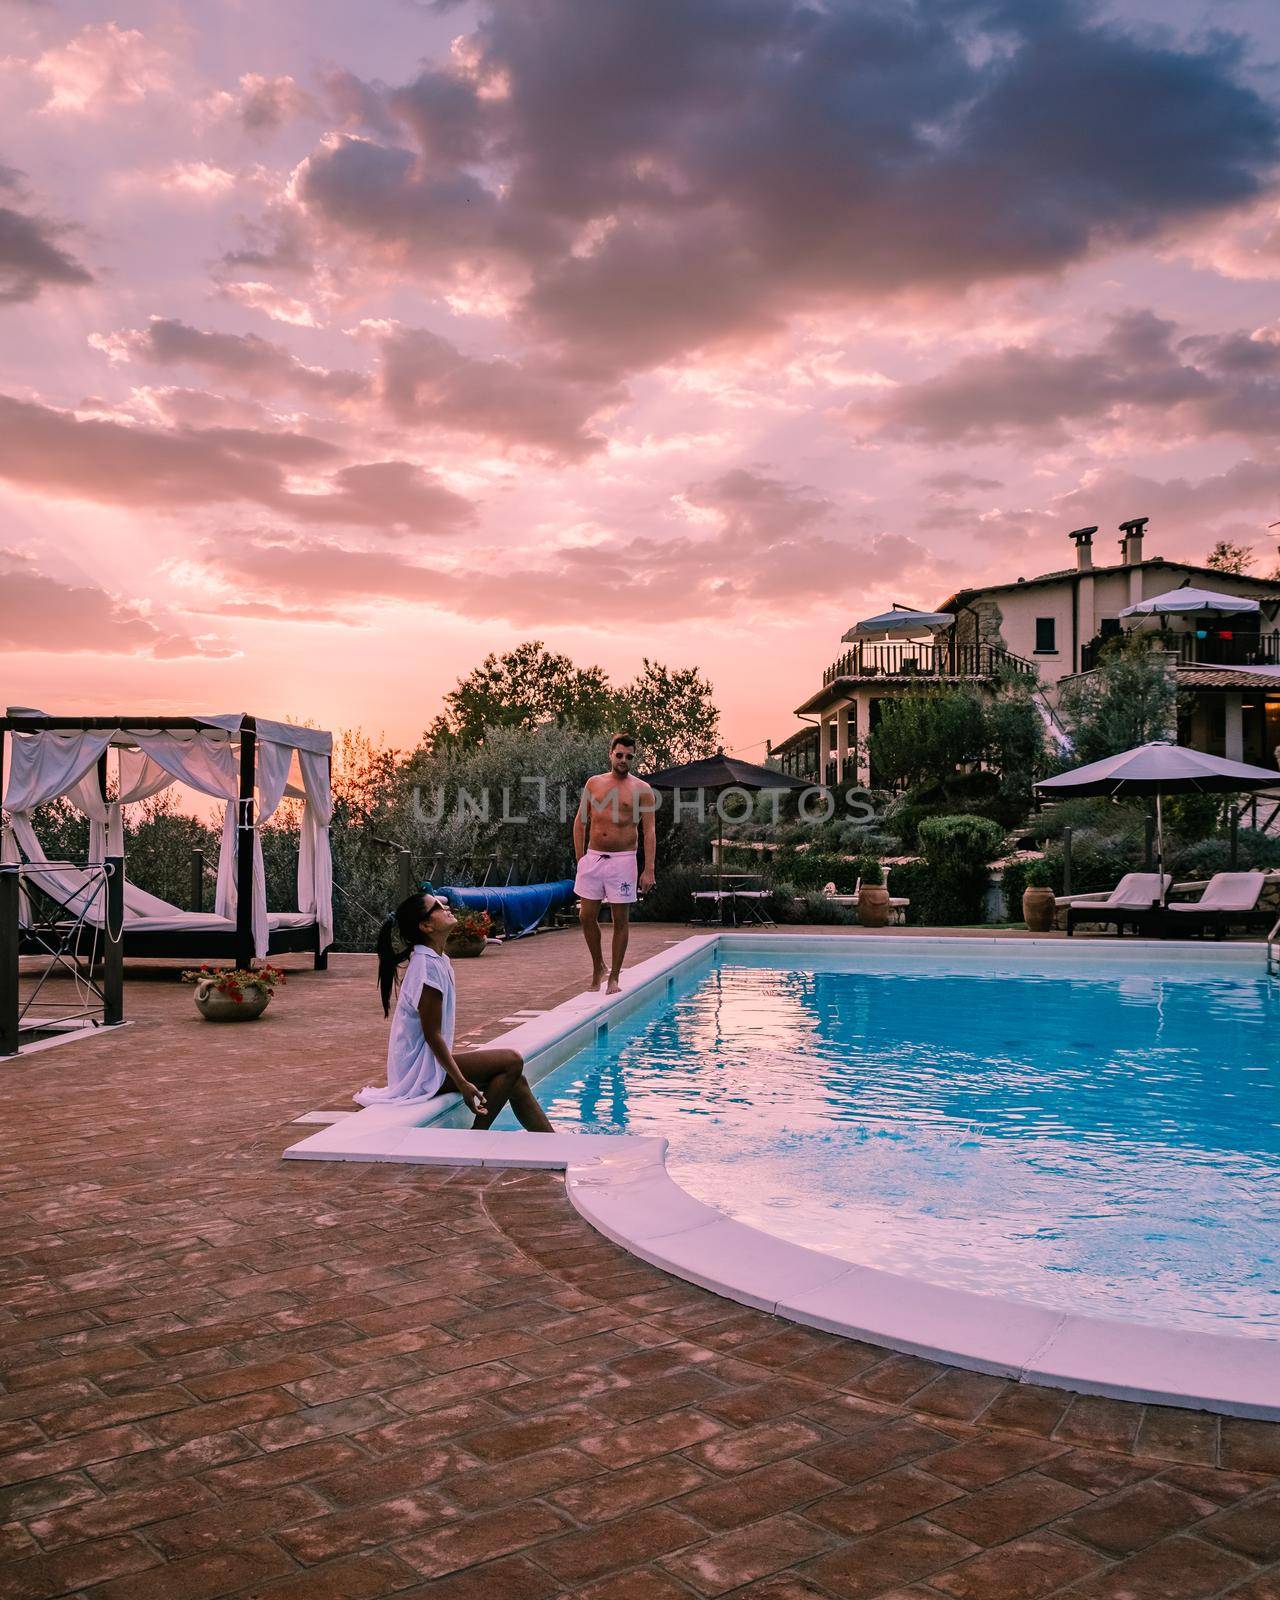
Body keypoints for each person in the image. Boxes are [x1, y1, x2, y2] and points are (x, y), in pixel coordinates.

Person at [357, 891, 553, 1131]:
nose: (446, 908)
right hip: (420, 1073)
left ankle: (551, 1143)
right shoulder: (426, 966)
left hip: (425, 1065)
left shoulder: (436, 959)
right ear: (426, 926)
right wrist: (462, 1082)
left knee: (516, 1082)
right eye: (437, 907)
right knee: (512, 1061)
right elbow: (432, 1035)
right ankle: (476, 1136)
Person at [573, 732, 657, 993]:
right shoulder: (594, 783)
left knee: (620, 918)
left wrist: (649, 869)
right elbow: (580, 822)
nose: (623, 760)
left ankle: (615, 977)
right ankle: (599, 966)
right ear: (611, 754)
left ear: (633, 758)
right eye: (619, 755)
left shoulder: (642, 789)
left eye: (629, 756)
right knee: (586, 916)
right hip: (594, 857)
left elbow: (649, 831)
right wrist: (581, 861)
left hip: (623, 860)